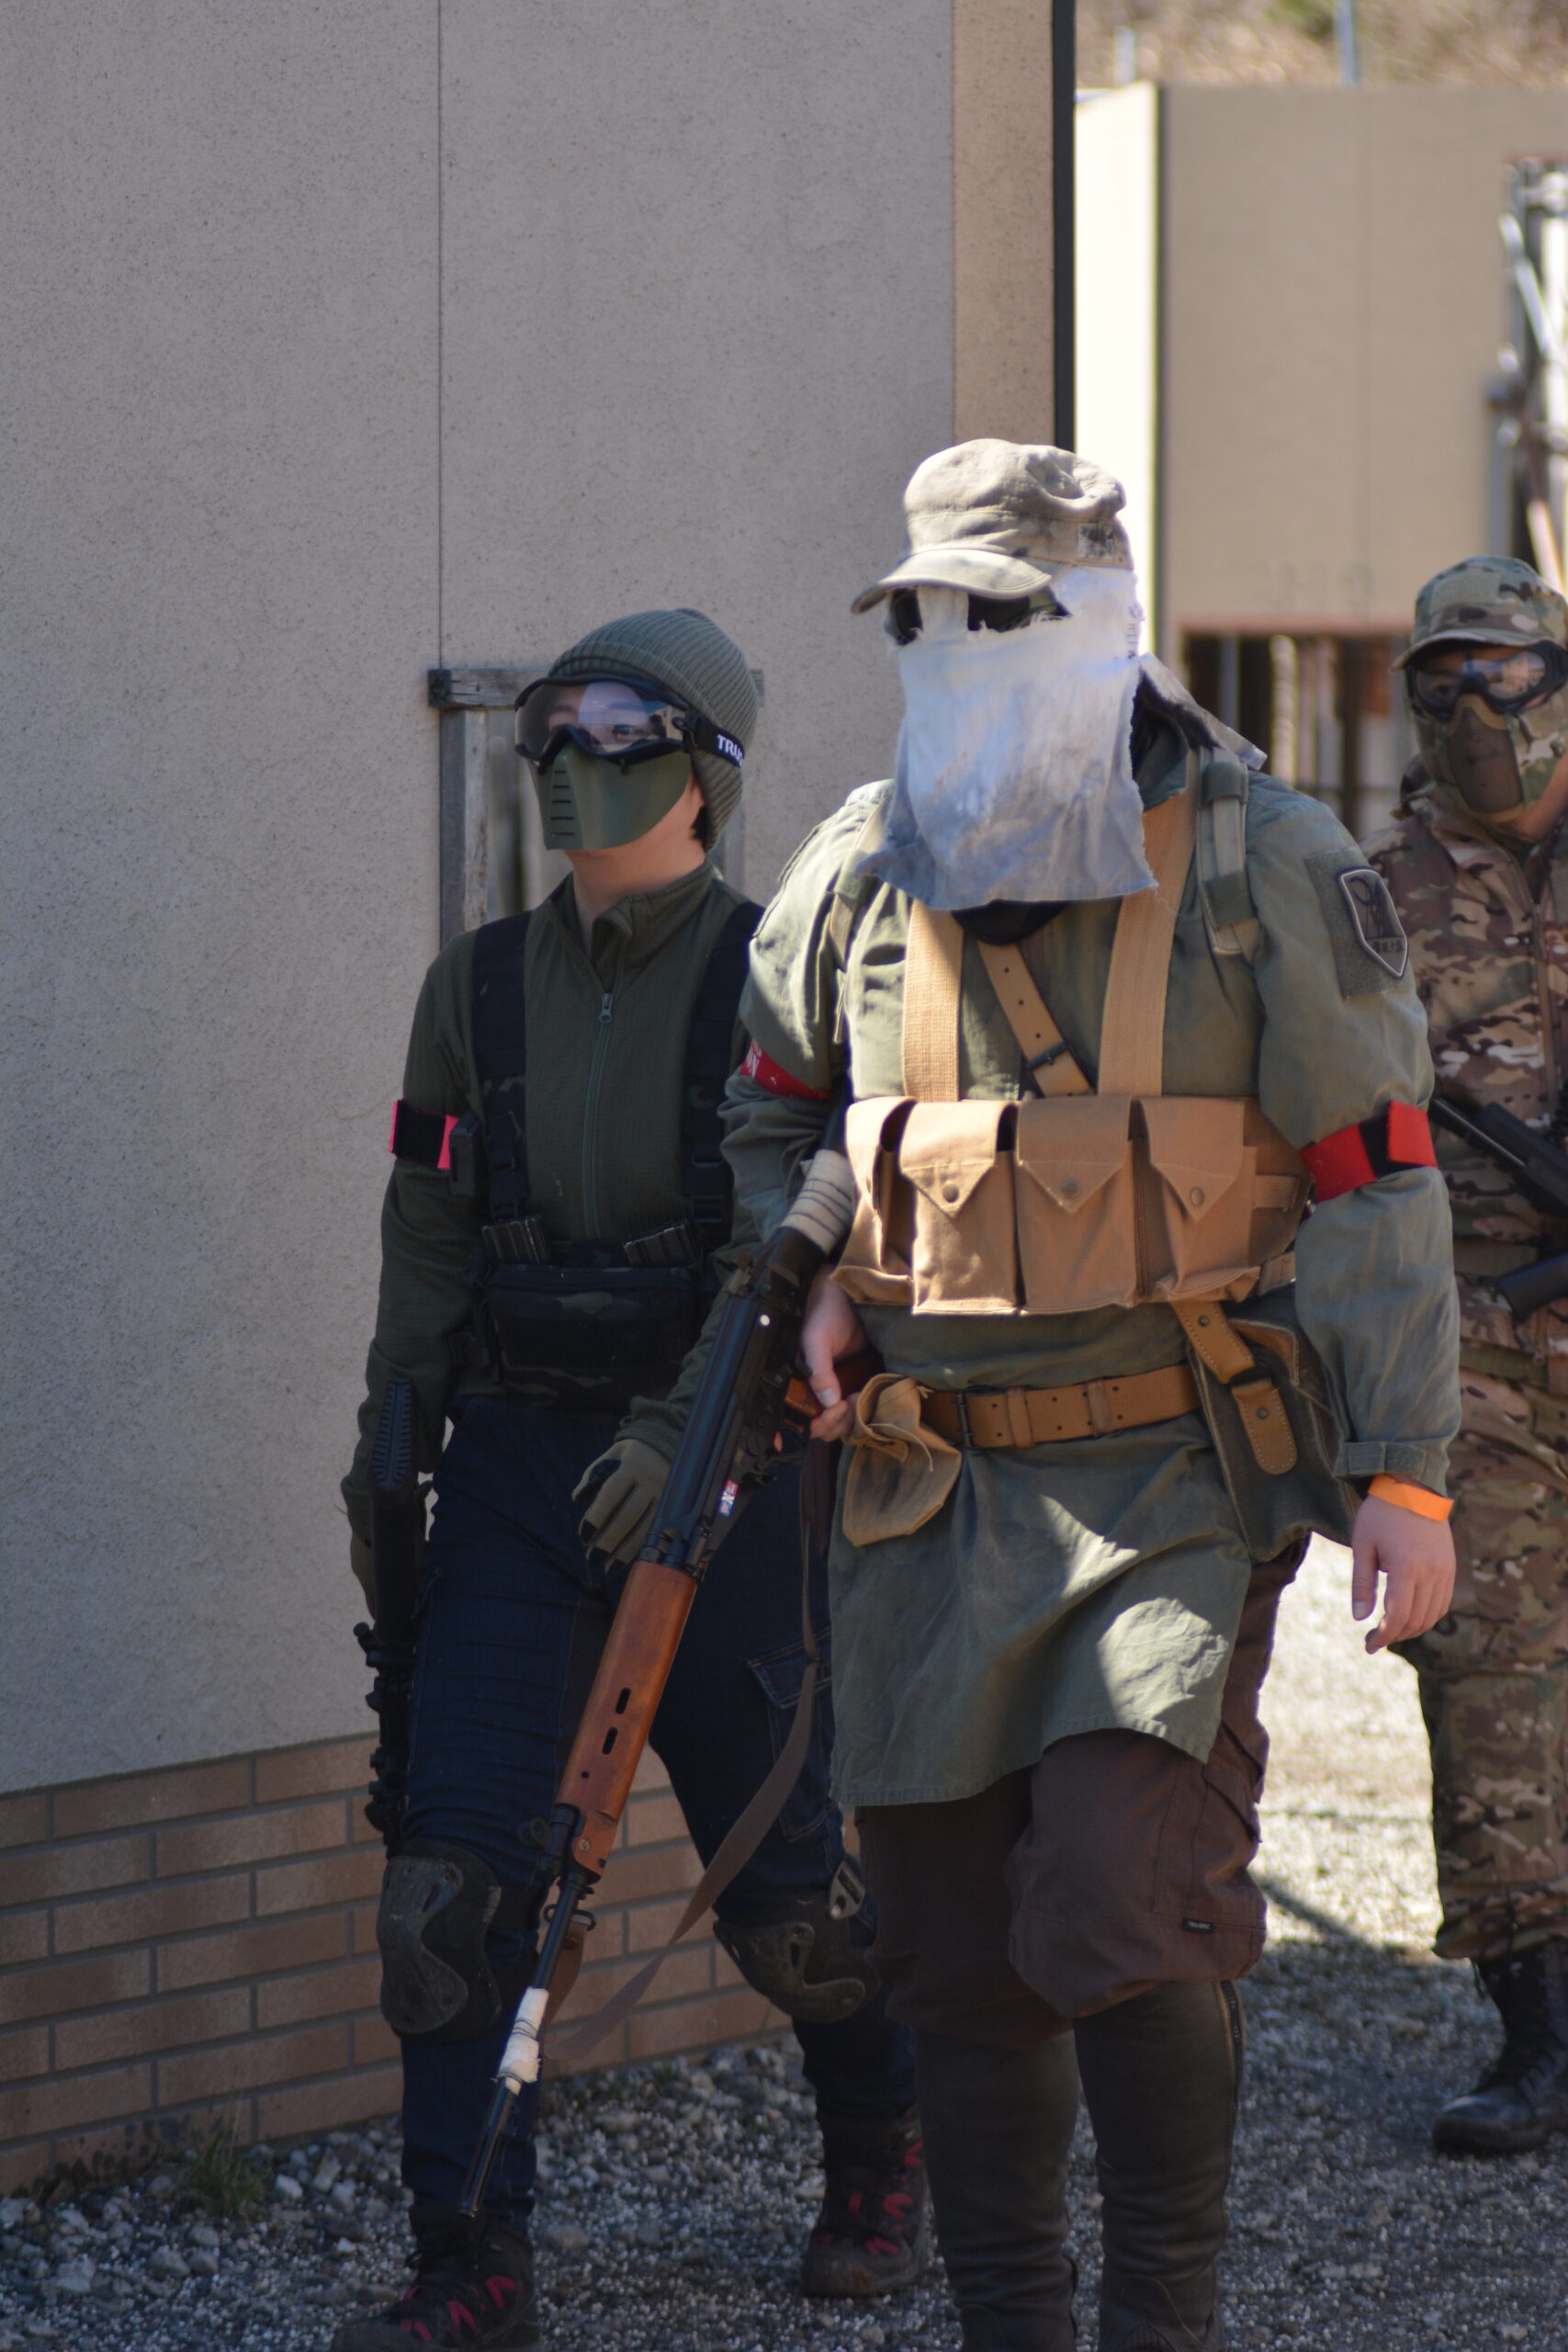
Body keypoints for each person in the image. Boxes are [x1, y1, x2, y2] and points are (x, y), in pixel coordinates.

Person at [718, 441, 1461, 2352]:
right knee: (953, 1958)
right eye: (925, 619)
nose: (957, 649)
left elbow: (1375, 1173)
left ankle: (1163, 2326)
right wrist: (805, 1281)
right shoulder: (854, 869)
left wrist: (1405, 1471)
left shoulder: (1262, 863)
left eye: (1000, 613)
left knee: (1123, 1909)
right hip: (923, 1488)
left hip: (1171, 1473)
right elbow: (774, 1104)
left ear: (1095, 619)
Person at [336, 607, 921, 2352]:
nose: (569, 766)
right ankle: (471, 2264)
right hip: (517, 1471)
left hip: (719, 1464)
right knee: (450, 1896)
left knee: (790, 1903)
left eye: (617, 735)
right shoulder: (474, 988)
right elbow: (429, 1226)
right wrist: (391, 1433)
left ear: (704, 775)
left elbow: (781, 1236)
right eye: (553, 734)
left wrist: (684, 1434)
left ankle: (881, 2141)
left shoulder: (769, 976)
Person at [1365, 556, 1568, 2156]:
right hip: (1474, 1328)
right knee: (1491, 1672)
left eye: (1505, 676)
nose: (1477, 711)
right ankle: (1538, 2037)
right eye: (1444, 684)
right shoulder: (1370, 901)